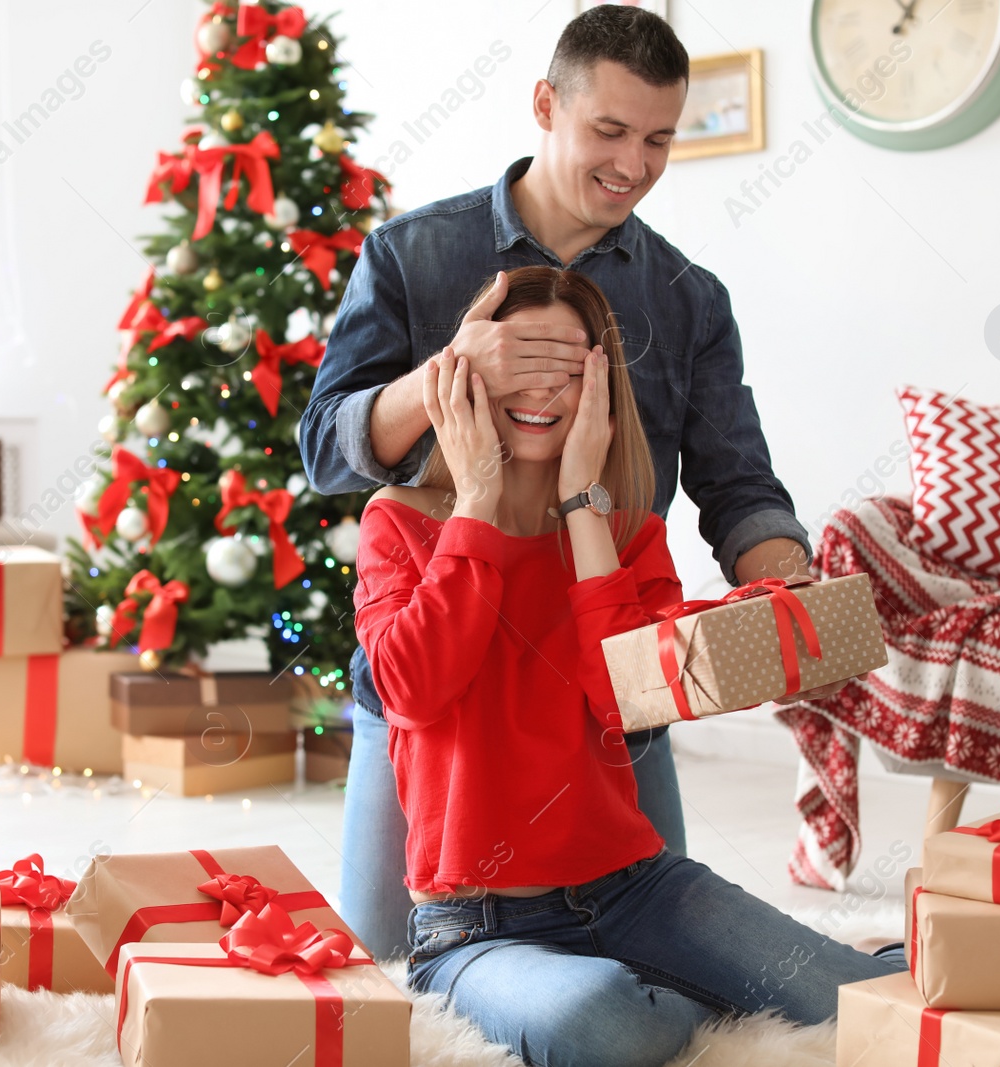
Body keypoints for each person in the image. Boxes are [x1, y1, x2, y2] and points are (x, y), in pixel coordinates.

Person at [300, 6, 842, 961]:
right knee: (389, 973)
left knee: (669, 968)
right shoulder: (414, 256)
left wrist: (791, 580)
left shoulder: (689, 298)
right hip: (440, 703)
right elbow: (325, 450)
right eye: (610, 131)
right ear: (546, 106)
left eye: (660, 139)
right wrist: (448, 369)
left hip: (601, 686)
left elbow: (739, 482)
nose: (634, 164)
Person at [352, 266, 904, 1067]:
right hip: (476, 922)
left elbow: (625, 704)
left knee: (868, 997)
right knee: (602, 1025)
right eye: (521, 366)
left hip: (636, 886)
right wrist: (474, 500)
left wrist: (584, 508)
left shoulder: (628, 539)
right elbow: (412, 686)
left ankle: (703, 971)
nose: (543, 392)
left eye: (570, 372)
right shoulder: (398, 523)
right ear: (471, 376)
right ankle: (660, 988)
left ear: (602, 387)